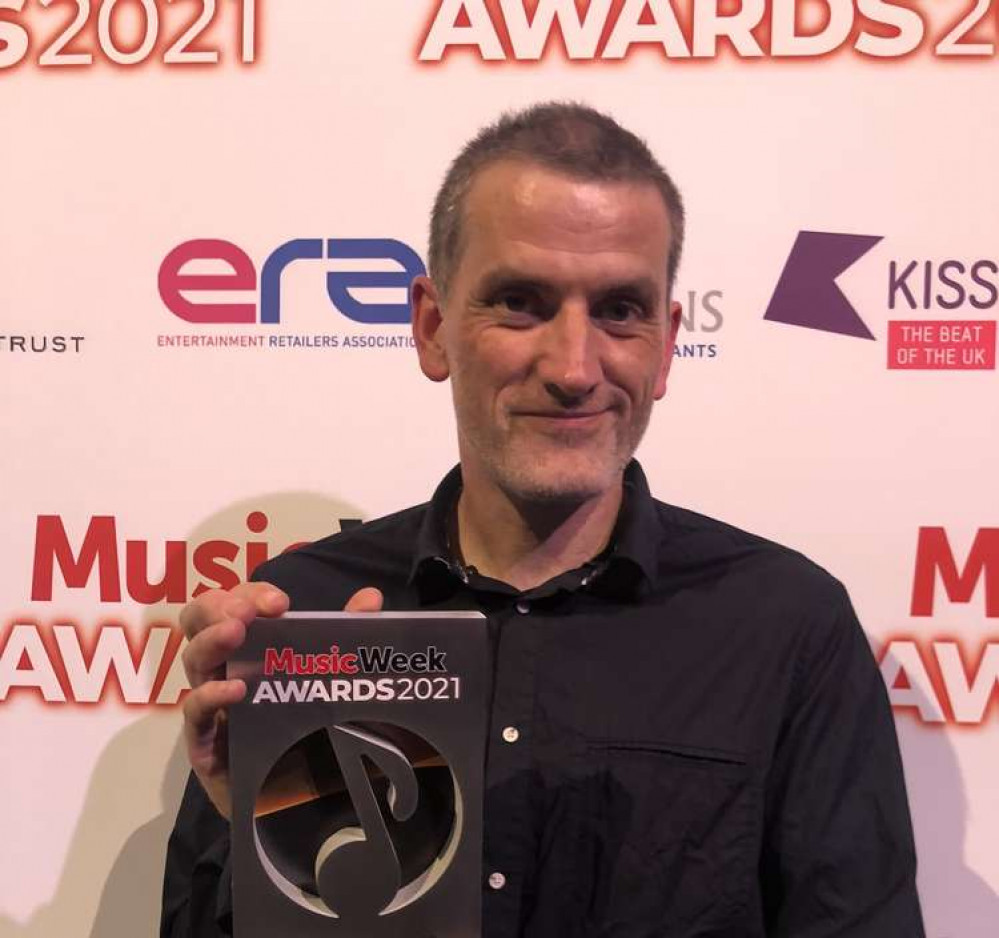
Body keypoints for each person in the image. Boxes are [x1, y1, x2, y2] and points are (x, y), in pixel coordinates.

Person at [161, 102, 925, 937]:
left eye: (620, 309)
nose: (573, 367)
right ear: (432, 327)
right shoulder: (300, 619)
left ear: (667, 343)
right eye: (520, 303)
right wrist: (252, 840)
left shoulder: (787, 627)